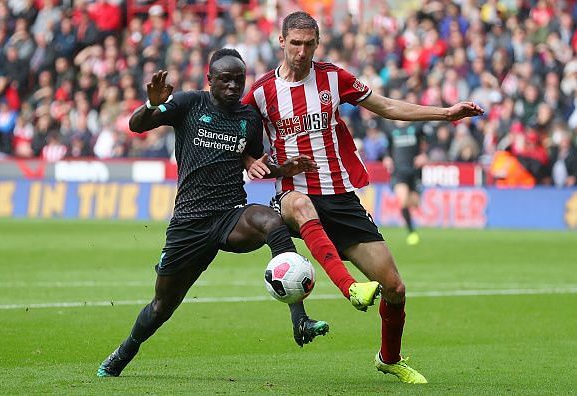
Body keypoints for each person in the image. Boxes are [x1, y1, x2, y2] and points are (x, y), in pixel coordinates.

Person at [243, 11, 484, 384]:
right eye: (295, 43)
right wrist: (251, 161)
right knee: (299, 202)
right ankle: (349, 287)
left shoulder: (333, 78)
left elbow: (386, 106)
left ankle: (389, 358)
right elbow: (235, 132)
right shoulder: (261, 92)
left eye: (309, 44)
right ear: (281, 42)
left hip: (341, 198)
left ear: (317, 43)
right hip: (293, 194)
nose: (302, 52)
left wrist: (445, 114)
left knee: (395, 287)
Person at [97, 49, 332, 377]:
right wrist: (152, 105)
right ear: (210, 81)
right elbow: (137, 126)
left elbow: (256, 166)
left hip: (230, 214)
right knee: (162, 306)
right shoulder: (189, 104)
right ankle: (124, 352)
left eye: (239, 79)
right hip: (189, 223)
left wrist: (283, 169)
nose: (234, 86)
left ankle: (300, 319)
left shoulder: (248, 119)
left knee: (272, 222)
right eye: (226, 79)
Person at [382, 120, 427, 245]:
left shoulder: (416, 127)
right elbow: (387, 148)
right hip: (398, 172)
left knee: (415, 202)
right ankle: (411, 231)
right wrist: (387, 158)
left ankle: (411, 225)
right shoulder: (390, 129)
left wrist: (424, 155)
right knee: (402, 200)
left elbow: (426, 143)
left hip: (414, 172)